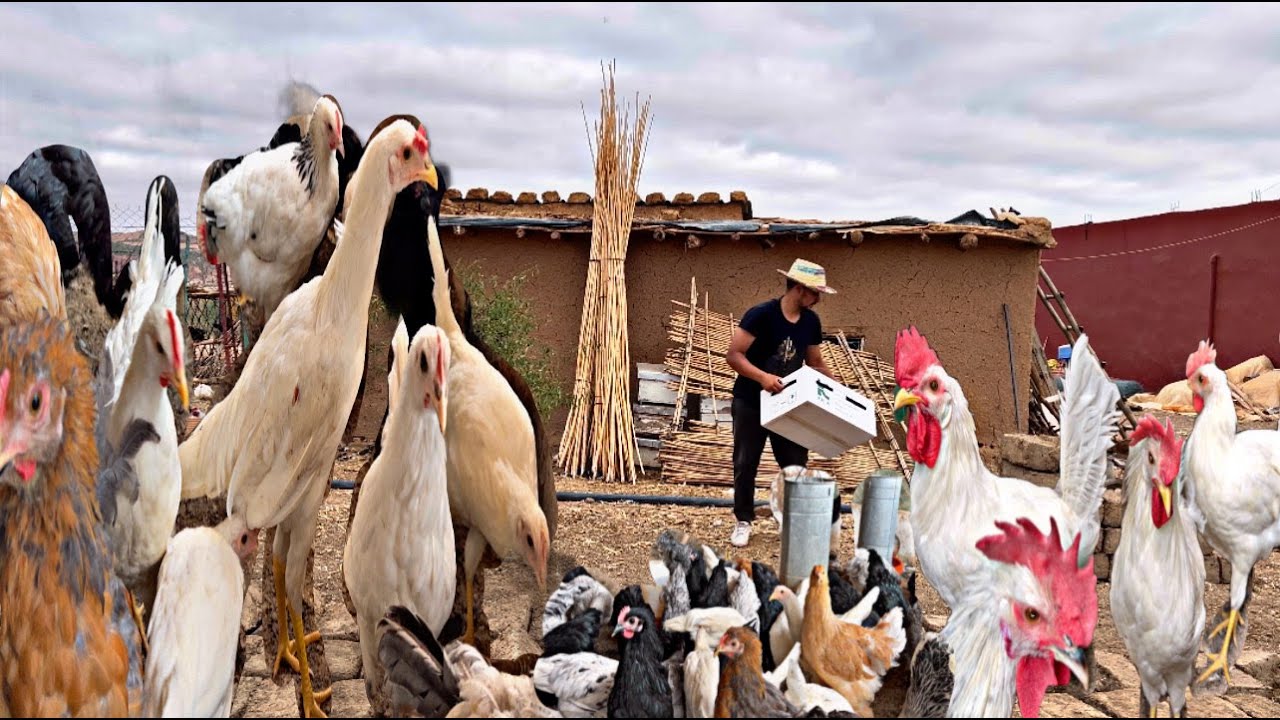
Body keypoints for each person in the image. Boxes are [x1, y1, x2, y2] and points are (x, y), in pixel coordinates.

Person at [724, 258, 839, 548]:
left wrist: (837, 387)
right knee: (745, 462)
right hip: (751, 400)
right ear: (800, 289)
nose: (818, 299)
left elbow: (814, 362)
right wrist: (762, 377)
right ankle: (743, 520)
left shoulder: (811, 322)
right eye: (816, 293)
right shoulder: (761, 315)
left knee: (795, 464)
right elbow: (734, 355)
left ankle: (791, 521)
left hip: (789, 403)